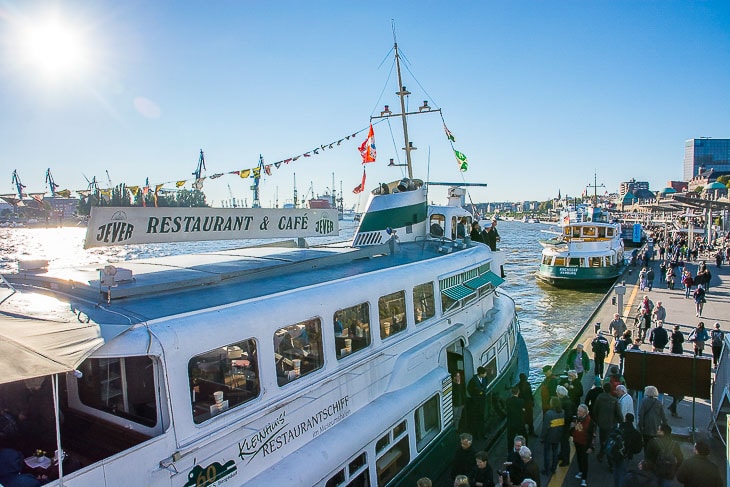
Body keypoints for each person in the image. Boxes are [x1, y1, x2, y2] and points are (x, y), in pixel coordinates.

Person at [593, 383, 622, 462]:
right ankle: (610, 460)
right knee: (610, 440)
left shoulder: (599, 398)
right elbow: (618, 413)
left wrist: (596, 421)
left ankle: (601, 453)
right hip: (611, 423)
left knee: (602, 439)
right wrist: (621, 421)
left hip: (601, 423)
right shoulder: (614, 400)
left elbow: (595, 410)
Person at [570, 404, 596, 487]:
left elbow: (593, 435)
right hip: (577, 442)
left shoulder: (590, 422)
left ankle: (584, 479)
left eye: (580, 411)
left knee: (584, 461)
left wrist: (591, 447)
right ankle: (581, 471)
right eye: (578, 410)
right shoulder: (577, 418)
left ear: (585, 412)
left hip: (585, 444)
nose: (578, 412)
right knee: (579, 457)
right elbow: (573, 429)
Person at [540, 397, 564, 476]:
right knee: (555, 452)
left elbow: (545, 427)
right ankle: (553, 469)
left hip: (549, 437)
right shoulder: (562, 412)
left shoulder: (548, 413)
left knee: (547, 453)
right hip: (558, 436)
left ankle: (547, 469)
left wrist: (542, 437)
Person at [637, 385, 666, 450]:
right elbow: (663, 416)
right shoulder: (658, 403)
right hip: (655, 426)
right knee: (654, 444)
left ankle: (646, 457)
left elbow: (641, 415)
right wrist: (664, 426)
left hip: (646, 427)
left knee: (646, 444)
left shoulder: (644, 401)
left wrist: (641, 426)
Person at [468, 368, 489, 437]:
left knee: (482, 417)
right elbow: (469, 389)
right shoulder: (473, 381)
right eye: (485, 373)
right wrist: (474, 396)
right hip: (476, 401)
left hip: (482, 400)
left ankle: (483, 433)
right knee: (476, 417)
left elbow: (485, 385)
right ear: (481, 374)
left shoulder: (485, 379)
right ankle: (476, 434)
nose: (486, 375)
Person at [505, 387, 526, 452]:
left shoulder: (508, 401)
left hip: (511, 423)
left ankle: (510, 452)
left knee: (510, 439)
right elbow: (522, 410)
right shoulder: (521, 401)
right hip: (519, 422)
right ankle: (523, 450)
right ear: (518, 392)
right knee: (523, 437)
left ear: (512, 392)